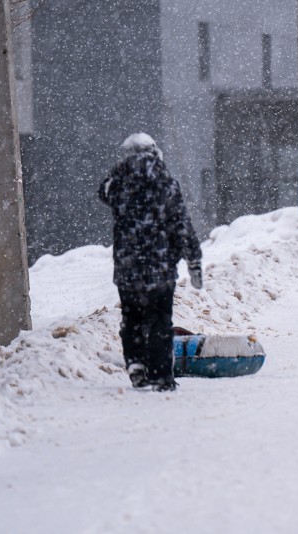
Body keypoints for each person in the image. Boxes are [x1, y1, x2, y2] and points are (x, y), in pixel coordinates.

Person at [99, 133, 203, 391]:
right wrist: (194, 260)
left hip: (127, 267)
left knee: (131, 317)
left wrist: (121, 169)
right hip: (160, 266)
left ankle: (135, 363)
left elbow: (103, 191)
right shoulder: (166, 184)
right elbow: (181, 226)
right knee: (159, 321)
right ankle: (160, 376)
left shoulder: (118, 185)